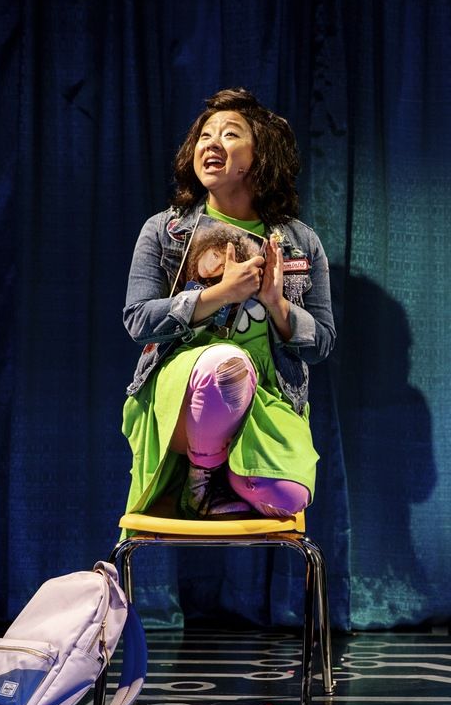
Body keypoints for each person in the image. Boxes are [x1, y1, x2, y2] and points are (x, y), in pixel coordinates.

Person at [121, 87, 336, 521]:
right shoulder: (165, 231)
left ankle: (229, 472)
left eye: (230, 134)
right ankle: (201, 479)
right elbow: (138, 320)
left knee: (288, 501)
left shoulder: (300, 241)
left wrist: (277, 305)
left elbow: (323, 343)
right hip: (185, 395)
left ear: (259, 156)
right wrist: (219, 294)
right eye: (205, 135)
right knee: (226, 365)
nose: (212, 143)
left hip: (267, 399)